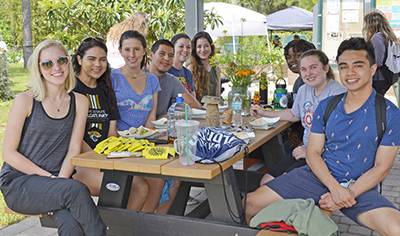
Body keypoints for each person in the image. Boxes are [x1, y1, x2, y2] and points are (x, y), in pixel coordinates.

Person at [244, 37, 400, 235]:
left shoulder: (389, 113)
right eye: (344, 67)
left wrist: (344, 194)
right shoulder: (327, 106)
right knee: (249, 205)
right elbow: (313, 153)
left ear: (372, 69)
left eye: (358, 65)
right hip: (318, 176)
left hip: (359, 185)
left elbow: (381, 167)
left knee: (396, 228)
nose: (350, 72)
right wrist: (334, 188)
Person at [0, 39, 106, 235]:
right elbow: (8, 153)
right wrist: (52, 182)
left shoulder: (80, 102)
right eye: (47, 63)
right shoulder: (25, 100)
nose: (56, 67)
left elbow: (74, 149)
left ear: (69, 63)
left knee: (70, 221)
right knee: (76, 190)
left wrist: (57, 185)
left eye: (61, 60)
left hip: (59, 182)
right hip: (19, 184)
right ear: (39, 69)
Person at [71, 37, 148, 210]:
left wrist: (125, 154)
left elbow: (112, 133)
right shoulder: (71, 89)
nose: (97, 64)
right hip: (79, 163)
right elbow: (71, 136)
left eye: (102, 59)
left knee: (142, 187)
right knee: (130, 187)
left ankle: (117, 229)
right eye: (91, 59)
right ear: (79, 59)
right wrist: (97, 159)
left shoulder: (106, 89)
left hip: (105, 159)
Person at [251, 49, 347, 184]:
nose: (308, 74)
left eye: (313, 67)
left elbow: (342, 138)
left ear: (326, 68)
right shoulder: (304, 89)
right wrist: (265, 113)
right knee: (266, 181)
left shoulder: (339, 94)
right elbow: (294, 114)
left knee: (279, 185)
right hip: (304, 150)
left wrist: (309, 152)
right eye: (303, 69)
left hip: (326, 156)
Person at [112, 30, 168, 213]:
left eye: (136, 49)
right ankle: (128, 227)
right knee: (151, 183)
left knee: (163, 179)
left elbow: (151, 117)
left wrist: (148, 137)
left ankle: (143, 225)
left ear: (145, 51)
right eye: (127, 49)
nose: (132, 54)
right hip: (119, 146)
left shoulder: (152, 80)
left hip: (144, 143)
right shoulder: (112, 78)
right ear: (120, 51)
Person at [145, 39, 201, 119]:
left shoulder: (171, 80)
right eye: (162, 54)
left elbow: (195, 105)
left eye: (170, 55)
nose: (167, 58)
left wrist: (167, 116)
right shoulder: (139, 76)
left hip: (161, 128)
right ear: (151, 55)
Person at [284, 39, 317, 150]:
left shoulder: (312, 82)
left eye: (297, 55)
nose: (292, 60)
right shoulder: (299, 82)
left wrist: (298, 133)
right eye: (288, 58)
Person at [363, 9, 399, 95]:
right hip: (386, 76)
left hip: (379, 77)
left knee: (375, 101)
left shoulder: (377, 38)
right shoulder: (387, 36)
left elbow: (378, 61)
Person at [188, 31, 221, 102]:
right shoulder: (191, 68)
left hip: (214, 111)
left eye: (206, 46)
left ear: (211, 47)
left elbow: (218, 97)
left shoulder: (216, 68)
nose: (203, 50)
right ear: (195, 49)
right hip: (198, 111)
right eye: (199, 46)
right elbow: (191, 98)